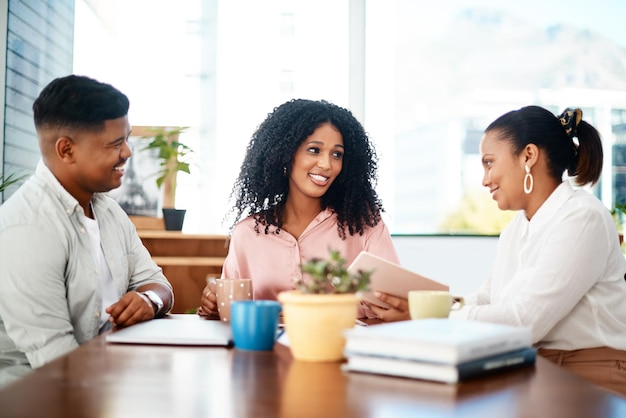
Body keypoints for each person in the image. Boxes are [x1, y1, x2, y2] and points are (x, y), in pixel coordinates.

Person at [372, 105, 626, 396]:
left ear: (528, 156)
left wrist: (429, 318)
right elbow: (487, 298)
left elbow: (524, 322)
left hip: (593, 374)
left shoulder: (582, 217)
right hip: (534, 369)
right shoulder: (516, 229)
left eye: (489, 163)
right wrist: (422, 306)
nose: (484, 179)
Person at [0, 75, 174, 387]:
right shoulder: (26, 228)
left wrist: (149, 300)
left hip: (104, 377)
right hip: (40, 395)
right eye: (115, 144)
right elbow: (56, 362)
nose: (128, 153)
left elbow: (159, 285)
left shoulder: (108, 210)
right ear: (66, 150)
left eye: (127, 139)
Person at [198, 99, 399, 318]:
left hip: (342, 347)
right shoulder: (247, 233)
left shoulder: (364, 224)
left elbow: (391, 303)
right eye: (314, 150)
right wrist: (213, 303)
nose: (326, 164)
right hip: (267, 350)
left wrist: (402, 310)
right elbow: (230, 310)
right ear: (285, 155)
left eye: (336, 154)